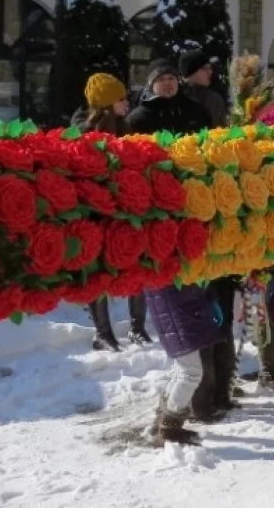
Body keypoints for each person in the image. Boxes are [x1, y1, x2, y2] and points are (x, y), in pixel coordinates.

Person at [127, 60, 240, 419]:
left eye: (171, 79)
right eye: (160, 79)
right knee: (195, 315)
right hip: (168, 219)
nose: (167, 84)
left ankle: (222, 390)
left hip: (205, 214)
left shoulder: (196, 111)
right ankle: (200, 399)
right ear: (151, 85)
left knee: (220, 311)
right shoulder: (139, 120)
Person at [70, 72, 151, 351]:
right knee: (98, 270)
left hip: (125, 207)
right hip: (94, 210)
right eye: (120, 98)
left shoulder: (125, 128)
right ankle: (103, 333)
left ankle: (138, 327)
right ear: (106, 103)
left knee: (134, 260)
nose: (126, 103)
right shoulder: (83, 132)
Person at [144, 283, 225, 445]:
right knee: (191, 373)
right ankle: (169, 426)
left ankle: (163, 417)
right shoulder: (165, 271)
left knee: (182, 371)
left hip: (177, 311)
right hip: (177, 314)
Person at [179, 49, 228, 126]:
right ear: (190, 72)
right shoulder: (174, 97)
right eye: (204, 68)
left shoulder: (214, 99)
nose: (210, 72)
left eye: (210, 68)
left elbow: (222, 130)